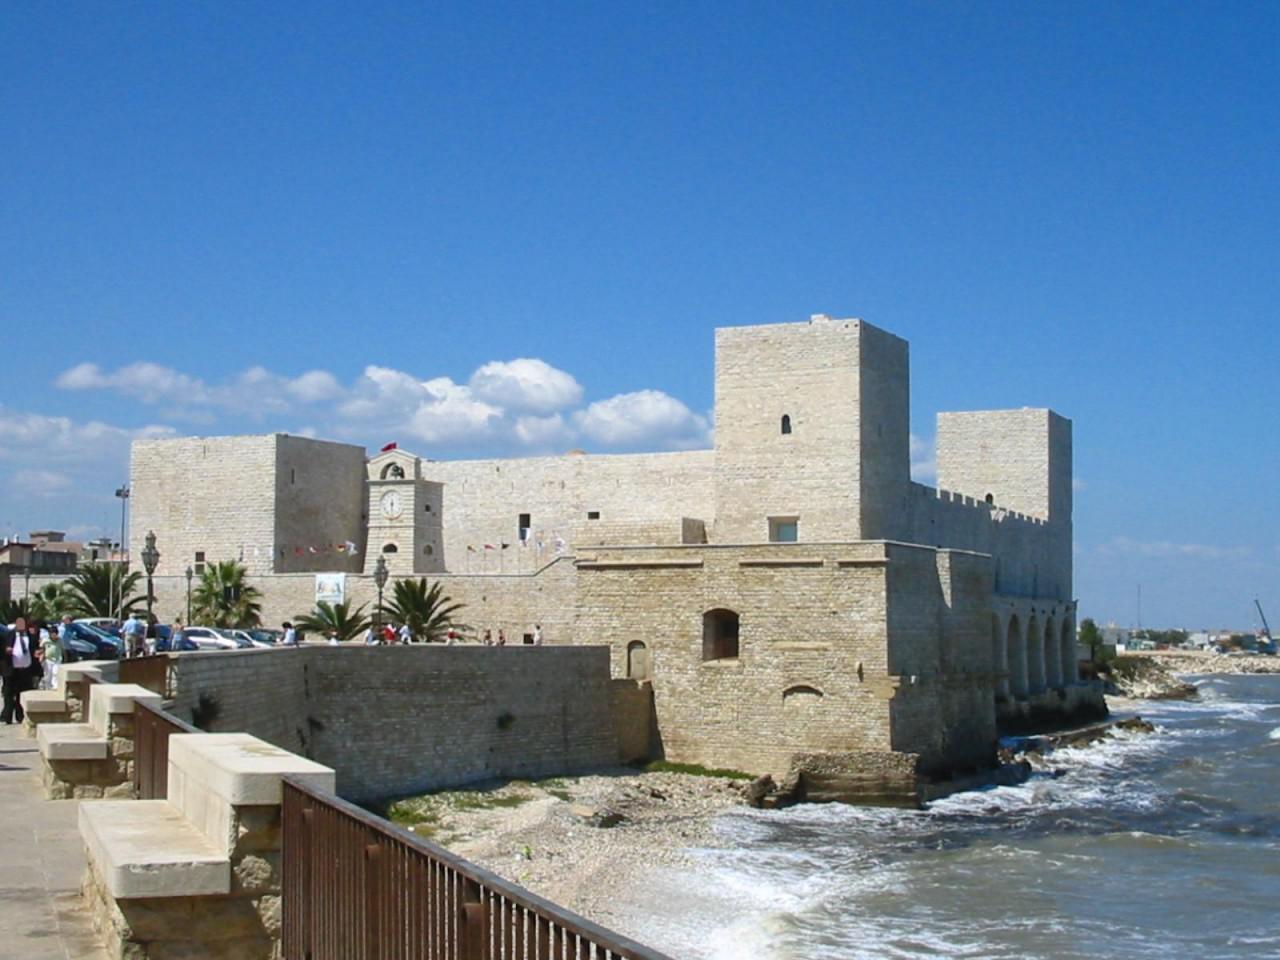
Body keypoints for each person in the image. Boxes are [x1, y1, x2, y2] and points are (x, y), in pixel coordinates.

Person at [1, 616, 36, 724]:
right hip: (11, 669)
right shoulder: (8, 634)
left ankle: (20, 716)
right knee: (9, 694)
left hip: (25, 670)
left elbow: (33, 649)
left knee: (22, 694)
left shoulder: (29, 636)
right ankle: (7, 716)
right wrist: (6, 650)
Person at [41, 622, 63, 690]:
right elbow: (42, 648)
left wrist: (65, 658)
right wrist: (42, 656)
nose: (53, 635)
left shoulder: (60, 640)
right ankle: (47, 686)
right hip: (48, 659)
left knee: (55, 673)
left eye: (55, 634)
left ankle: (55, 686)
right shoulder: (45, 640)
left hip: (57, 659)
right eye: (52, 634)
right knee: (48, 674)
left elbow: (63, 649)